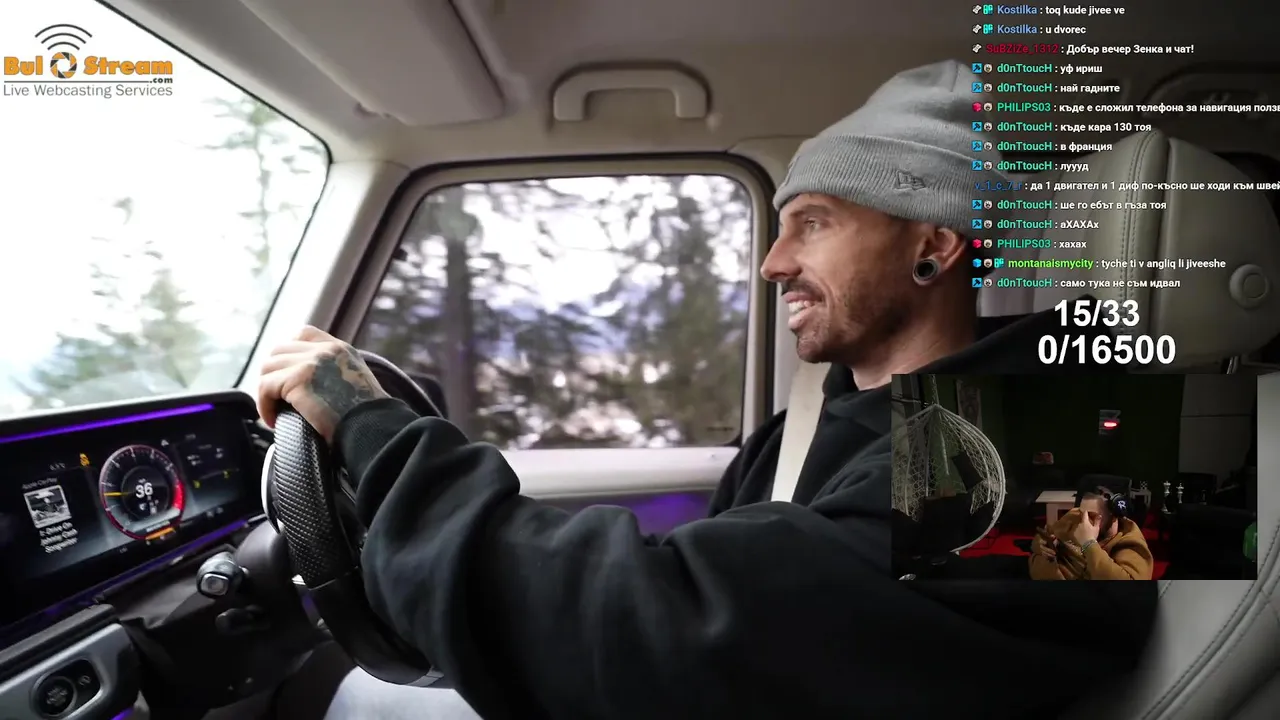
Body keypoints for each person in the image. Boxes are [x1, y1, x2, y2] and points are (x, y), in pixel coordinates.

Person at [260, 60, 1158, 720]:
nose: (774, 263)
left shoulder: (1051, 467)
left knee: (368, 705)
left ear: (935, 243)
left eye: (814, 224)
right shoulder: (815, 427)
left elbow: (683, 627)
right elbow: (713, 588)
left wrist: (380, 437)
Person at [1030, 489, 1155, 580]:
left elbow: (1130, 590)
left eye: (1091, 516)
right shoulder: (1076, 517)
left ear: (1114, 516)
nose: (1082, 522)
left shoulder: (1130, 541)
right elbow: (1042, 537)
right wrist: (1042, 546)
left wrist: (1089, 543)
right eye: (1081, 513)